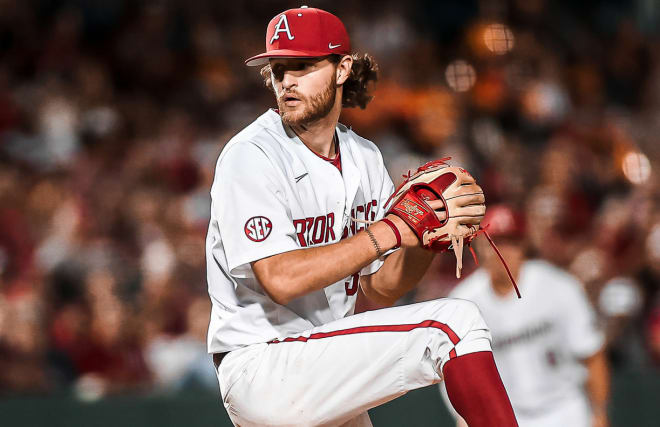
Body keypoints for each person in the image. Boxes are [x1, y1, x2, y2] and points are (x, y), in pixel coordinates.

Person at [206, 6, 518, 426]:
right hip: (263, 363)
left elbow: (384, 287)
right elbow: (281, 279)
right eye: (279, 70)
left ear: (342, 69)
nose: (287, 82)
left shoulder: (364, 157)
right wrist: (392, 229)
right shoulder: (252, 155)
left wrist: (425, 239)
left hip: (321, 363)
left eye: (302, 66)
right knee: (454, 326)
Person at [440, 205, 610, 427]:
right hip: (508, 415)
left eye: (512, 242)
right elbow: (453, 374)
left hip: (565, 408)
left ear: (523, 246)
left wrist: (599, 412)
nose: (504, 251)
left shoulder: (558, 286)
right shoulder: (464, 302)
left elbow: (592, 354)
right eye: (496, 242)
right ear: (480, 247)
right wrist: (464, 418)